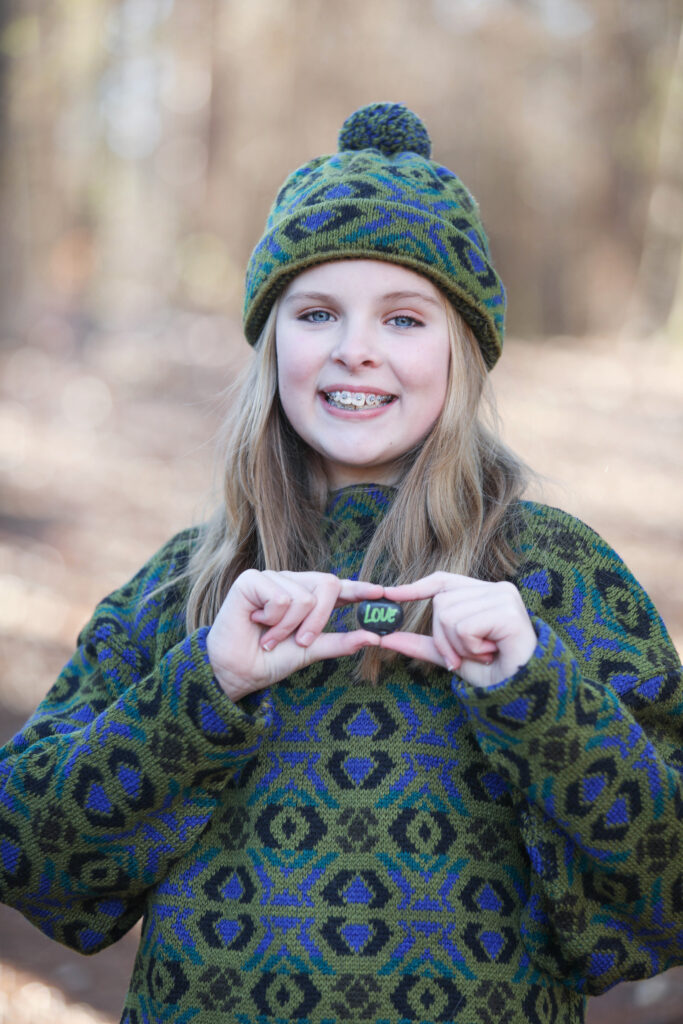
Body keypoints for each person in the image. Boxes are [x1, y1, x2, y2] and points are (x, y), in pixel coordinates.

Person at [1, 102, 682, 1024]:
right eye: (316, 311)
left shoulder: (560, 575)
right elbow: (30, 856)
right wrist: (202, 686)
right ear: (271, 339)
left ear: (462, 352)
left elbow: (664, 890)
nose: (354, 347)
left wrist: (541, 692)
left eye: (403, 318)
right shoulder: (189, 582)